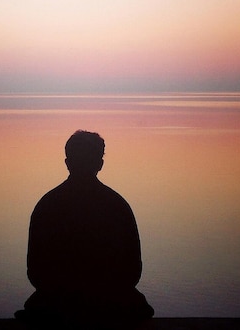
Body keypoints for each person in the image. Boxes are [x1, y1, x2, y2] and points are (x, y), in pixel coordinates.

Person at [16, 130, 154, 327]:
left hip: (56, 306)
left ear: (67, 162)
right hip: (111, 306)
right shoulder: (118, 206)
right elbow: (133, 271)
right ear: (100, 164)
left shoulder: (46, 206)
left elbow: (36, 272)